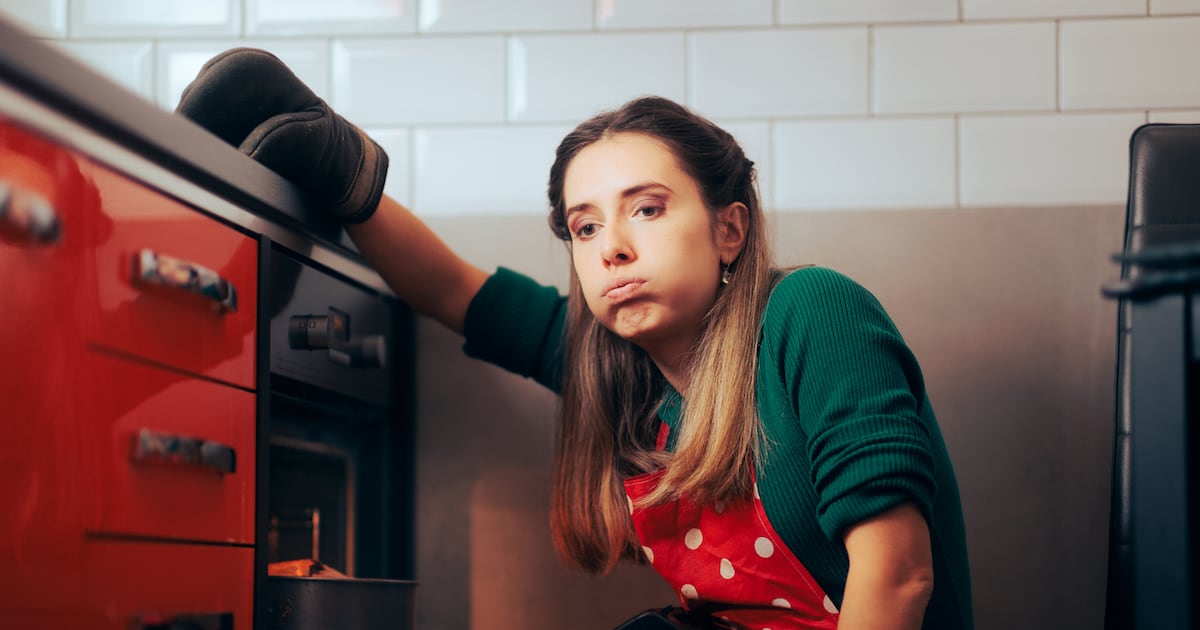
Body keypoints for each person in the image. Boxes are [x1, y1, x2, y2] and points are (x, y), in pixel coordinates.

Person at [177, 49, 974, 630]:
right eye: (585, 226)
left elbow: (898, 576)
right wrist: (346, 174)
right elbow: (457, 292)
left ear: (730, 229)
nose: (611, 247)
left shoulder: (814, 314)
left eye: (648, 209)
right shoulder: (617, 372)